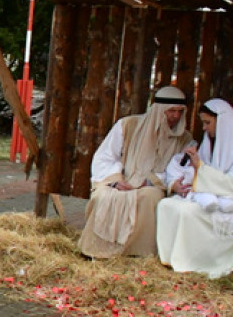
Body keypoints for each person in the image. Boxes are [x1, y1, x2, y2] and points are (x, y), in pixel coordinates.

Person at [78, 86, 190, 259]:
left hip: (154, 184)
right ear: (159, 110)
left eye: (179, 111)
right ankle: (95, 250)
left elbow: (178, 169)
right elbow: (105, 156)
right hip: (122, 179)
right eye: (171, 111)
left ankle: (138, 254)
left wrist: (151, 181)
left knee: (149, 198)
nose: (176, 116)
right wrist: (115, 180)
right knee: (103, 196)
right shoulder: (128, 125)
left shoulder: (185, 139)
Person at [156, 99, 233, 278]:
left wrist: (201, 168)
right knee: (167, 205)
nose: (204, 128)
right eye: (203, 123)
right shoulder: (207, 144)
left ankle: (192, 261)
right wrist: (178, 182)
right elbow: (185, 169)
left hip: (226, 201)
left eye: (208, 123)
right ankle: (171, 258)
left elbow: (229, 184)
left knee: (187, 212)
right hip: (206, 195)